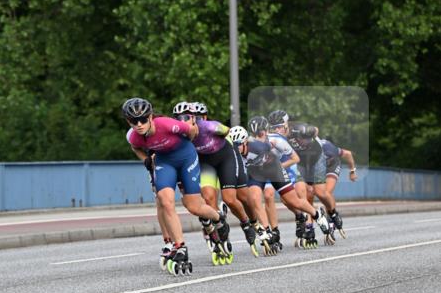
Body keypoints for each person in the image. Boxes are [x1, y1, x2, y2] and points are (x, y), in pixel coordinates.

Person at [122, 97, 228, 273]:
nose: (139, 124)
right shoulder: (134, 137)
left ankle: (219, 218)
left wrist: (190, 140)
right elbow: (135, 147)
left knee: (193, 206)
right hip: (165, 162)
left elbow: (193, 131)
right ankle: (180, 246)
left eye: (142, 119)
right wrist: (146, 159)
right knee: (165, 200)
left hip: (186, 158)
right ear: (128, 121)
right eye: (134, 121)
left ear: (150, 117)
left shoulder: (167, 125)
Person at [178, 101, 260, 256]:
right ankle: (218, 226)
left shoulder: (209, 126)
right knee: (208, 197)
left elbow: (228, 133)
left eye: (198, 118)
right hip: (206, 163)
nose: (192, 122)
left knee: (230, 199)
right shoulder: (182, 133)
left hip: (225, 158)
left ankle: (246, 224)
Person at [238, 118, 331, 250]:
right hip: (257, 171)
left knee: (293, 201)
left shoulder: (278, 141)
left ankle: (316, 215)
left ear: (265, 131)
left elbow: (295, 158)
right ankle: (266, 231)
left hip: (275, 169)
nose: (257, 137)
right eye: (253, 135)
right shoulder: (243, 145)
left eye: (259, 134)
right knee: (255, 198)